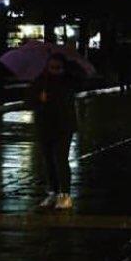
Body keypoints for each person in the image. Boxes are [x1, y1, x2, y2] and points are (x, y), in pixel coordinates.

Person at [31, 54, 79, 210]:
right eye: (52, 67)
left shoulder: (69, 81)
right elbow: (29, 100)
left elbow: (68, 98)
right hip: (45, 126)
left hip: (63, 127)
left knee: (61, 160)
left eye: (58, 68)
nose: (55, 71)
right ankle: (53, 192)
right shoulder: (41, 81)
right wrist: (39, 98)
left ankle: (65, 194)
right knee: (48, 161)